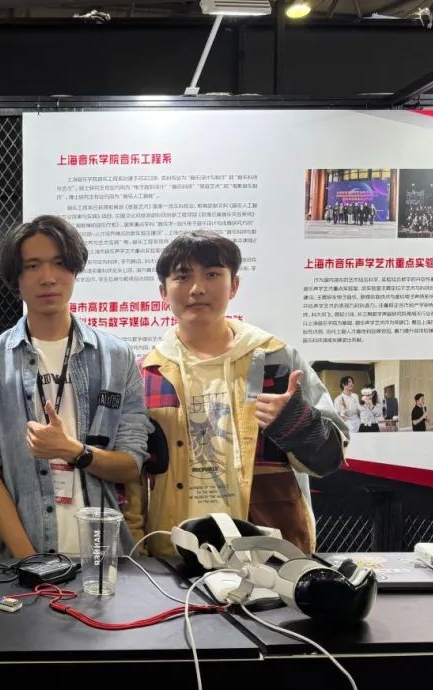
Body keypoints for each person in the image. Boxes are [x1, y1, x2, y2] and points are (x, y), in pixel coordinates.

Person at [126, 230, 348, 554]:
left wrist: (294, 422)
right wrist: (137, 552)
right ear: (163, 291)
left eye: (212, 274)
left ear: (234, 285)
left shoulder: (276, 359)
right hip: (172, 550)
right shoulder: (146, 373)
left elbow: (330, 459)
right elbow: (132, 481)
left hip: (268, 551)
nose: (197, 288)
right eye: (183, 277)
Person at [0, 215, 151, 559]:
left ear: (74, 269)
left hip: (99, 558)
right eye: (33, 266)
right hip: (12, 560)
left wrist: (74, 451)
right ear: (17, 277)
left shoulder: (116, 357)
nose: (48, 277)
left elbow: (132, 462)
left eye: (60, 263)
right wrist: (31, 561)